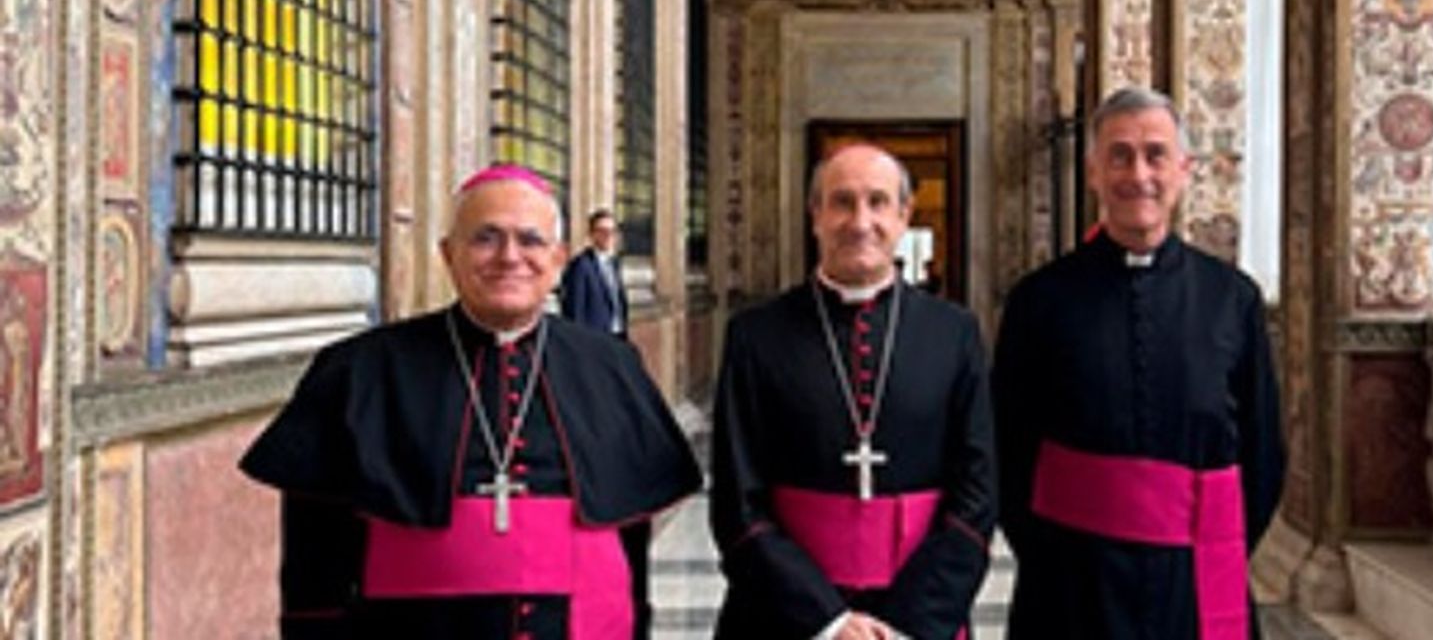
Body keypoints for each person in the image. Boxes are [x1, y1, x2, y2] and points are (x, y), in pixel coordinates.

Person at [240, 164, 700, 640]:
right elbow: (314, 563)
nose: (509, 257)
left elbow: (631, 542)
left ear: (559, 258)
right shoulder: (360, 371)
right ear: (448, 254)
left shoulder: (612, 369)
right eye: (485, 238)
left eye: (531, 240)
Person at [992, 87, 1286, 640]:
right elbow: (1008, 448)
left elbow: (1263, 450)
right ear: (1093, 172)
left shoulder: (1232, 298)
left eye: (1155, 154)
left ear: (1183, 169)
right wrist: (1055, 552)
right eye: (1120, 155)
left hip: (1195, 577)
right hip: (1071, 576)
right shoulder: (1039, 299)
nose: (1139, 174)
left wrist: (1208, 541)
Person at [710, 144, 996, 640]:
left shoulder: (954, 334)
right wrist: (830, 621)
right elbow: (738, 502)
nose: (860, 221)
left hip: (919, 615)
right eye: (842, 202)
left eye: (878, 202)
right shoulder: (756, 335)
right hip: (785, 615)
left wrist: (908, 622)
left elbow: (977, 493)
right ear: (815, 215)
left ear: (904, 216)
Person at [561, 208, 629, 339]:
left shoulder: (614, 263)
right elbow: (575, 311)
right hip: (593, 339)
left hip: (617, 335)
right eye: (602, 231)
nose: (608, 236)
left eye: (612, 231)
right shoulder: (581, 265)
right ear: (592, 234)